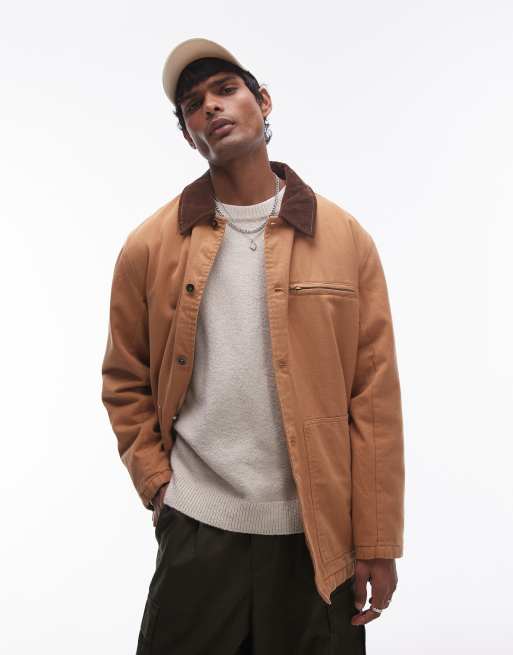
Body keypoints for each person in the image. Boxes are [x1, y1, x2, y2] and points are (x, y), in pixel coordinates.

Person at [101, 36, 405, 655]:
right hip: (198, 527)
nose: (211, 107)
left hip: (318, 538)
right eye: (193, 104)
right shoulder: (149, 247)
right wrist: (160, 486)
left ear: (263, 102)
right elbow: (124, 380)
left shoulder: (346, 240)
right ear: (188, 135)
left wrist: (377, 539)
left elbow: (373, 397)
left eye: (225, 90)